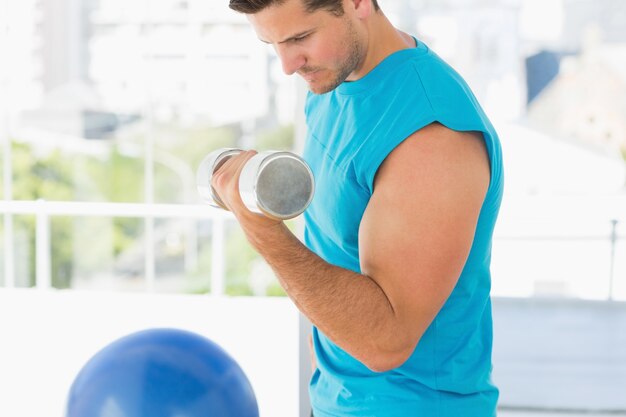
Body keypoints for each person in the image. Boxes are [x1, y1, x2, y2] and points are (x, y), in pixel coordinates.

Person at [212, 0, 504, 415]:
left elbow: (387, 341)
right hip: (337, 399)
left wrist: (260, 227)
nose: (288, 65)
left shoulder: (432, 136)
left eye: (300, 38)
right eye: (272, 43)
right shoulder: (332, 83)